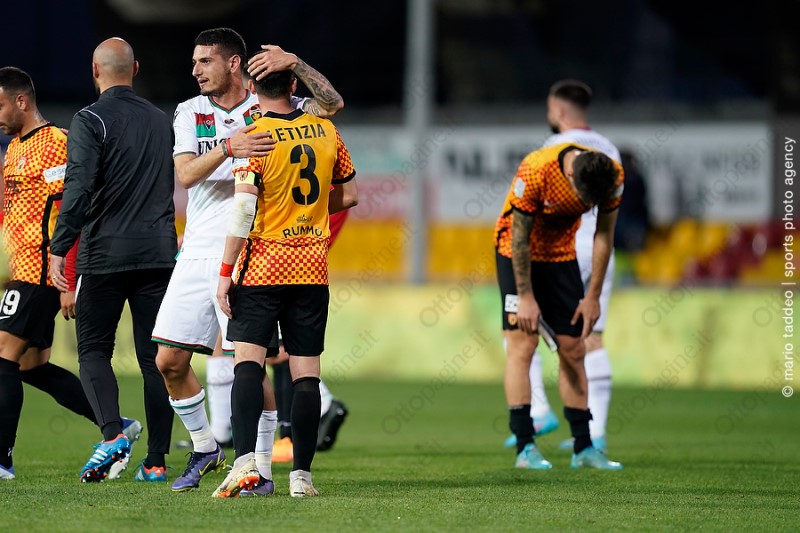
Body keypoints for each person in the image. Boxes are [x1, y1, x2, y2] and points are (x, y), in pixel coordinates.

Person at [151, 27, 346, 494]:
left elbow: (332, 103)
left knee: (250, 362)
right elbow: (185, 175)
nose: (196, 70)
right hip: (198, 247)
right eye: (194, 62)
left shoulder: (273, 108)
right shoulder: (190, 111)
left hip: (250, 250)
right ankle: (206, 448)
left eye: (205, 61)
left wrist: (295, 61)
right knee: (168, 360)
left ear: (234, 63)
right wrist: (229, 147)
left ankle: (259, 467)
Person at [213, 66, 357, 498]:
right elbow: (349, 194)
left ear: (251, 88)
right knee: (306, 374)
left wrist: (225, 273)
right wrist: (306, 214)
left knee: (247, 364)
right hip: (311, 267)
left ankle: (245, 465)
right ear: (293, 85)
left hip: (263, 265)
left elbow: (243, 210)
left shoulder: (254, 136)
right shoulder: (326, 130)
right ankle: (302, 478)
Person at [0, 66, 141, 481]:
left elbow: (73, 210)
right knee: (30, 365)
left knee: (2, 356)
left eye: (0, 105)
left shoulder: (56, 144)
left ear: (21, 100)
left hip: (42, 270)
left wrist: (69, 278)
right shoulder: (14, 148)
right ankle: (117, 425)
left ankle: (2, 460)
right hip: (19, 271)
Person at [49, 38, 177, 483]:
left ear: (94, 70)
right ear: (135, 68)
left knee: (93, 351)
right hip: (158, 253)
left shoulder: (90, 119)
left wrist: (60, 248)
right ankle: (156, 462)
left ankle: (112, 435)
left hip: (104, 254)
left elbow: (79, 188)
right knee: (155, 359)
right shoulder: (161, 120)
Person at [504, 79, 623, 454]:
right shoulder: (610, 152)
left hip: (567, 250)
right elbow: (605, 228)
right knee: (587, 339)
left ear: (557, 111)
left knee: (523, 337)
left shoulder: (550, 152)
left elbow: (527, 227)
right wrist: (591, 295)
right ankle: (592, 433)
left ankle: (543, 413)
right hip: (590, 251)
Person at [270, 209, 350, 464]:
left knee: (281, 349)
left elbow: (345, 197)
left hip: (295, 245)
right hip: (297, 243)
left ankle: (290, 435)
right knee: (280, 349)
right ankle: (292, 432)